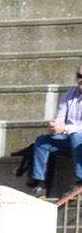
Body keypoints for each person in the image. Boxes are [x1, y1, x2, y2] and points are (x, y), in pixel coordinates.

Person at [28, 65, 82, 197]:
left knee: (76, 136)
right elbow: (60, 118)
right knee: (42, 141)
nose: (81, 80)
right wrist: (54, 127)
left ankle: (80, 183)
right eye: (79, 76)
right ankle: (40, 183)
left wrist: (64, 128)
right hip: (69, 139)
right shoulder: (69, 95)